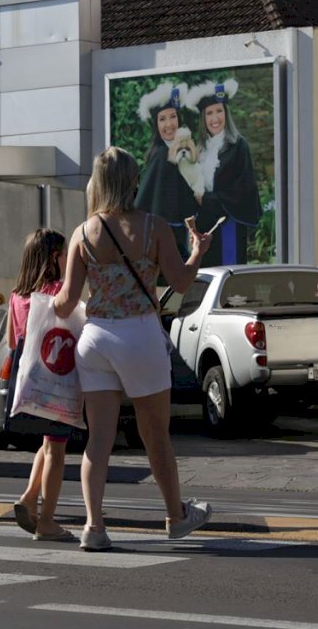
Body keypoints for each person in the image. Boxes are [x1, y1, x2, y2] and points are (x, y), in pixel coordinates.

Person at [53, 146, 214, 552]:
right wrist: (197, 252)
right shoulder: (154, 227)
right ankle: (176, 517)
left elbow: (67, 301)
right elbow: (179, 283)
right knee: (155, 435)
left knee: (98, 439)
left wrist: (42, 303)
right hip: (140, 336)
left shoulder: (83, 232)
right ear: (132, 181)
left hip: (95, 339)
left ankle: (93, 526)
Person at [8, 229, 77, 542]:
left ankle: (28, 497)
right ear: (54, 257)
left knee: (49, 445)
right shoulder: (58, 291)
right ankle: (47, 520)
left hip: (31, 379)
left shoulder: (17, 295)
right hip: (56, 377)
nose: (67, 259)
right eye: (64, 254)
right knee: (57, 450)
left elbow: (13, 342)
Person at [184, 79, 262, 267]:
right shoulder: (198, 149)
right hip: (203, 226)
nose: (215, 118)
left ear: (226, 113)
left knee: (229, 281)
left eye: (219, 111)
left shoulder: (238, 145)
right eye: (209, 113)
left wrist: (207, 200)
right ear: (203, 117)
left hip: (229, 224)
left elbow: (244, 187)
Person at [133, 82, 200, 259]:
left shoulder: (182, 150)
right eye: (162, 119)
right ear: (156, 124)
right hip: (168, 240)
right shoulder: (162, 156)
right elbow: (163, 205)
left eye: (173, 117)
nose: (169, 124)